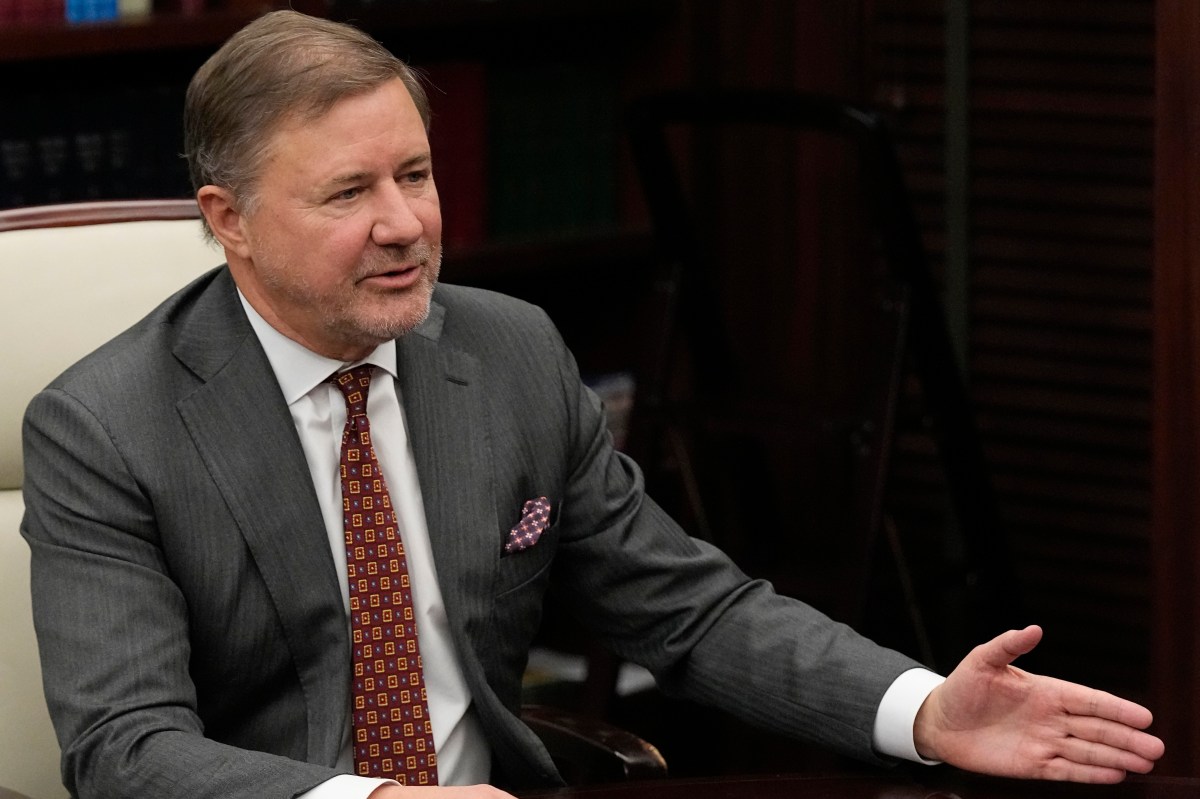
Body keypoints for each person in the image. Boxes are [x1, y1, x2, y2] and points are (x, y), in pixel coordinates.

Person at [20, 10, 1163, 799]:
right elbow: (125, 749)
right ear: (228, 219)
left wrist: (920, 708)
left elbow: (691, 611)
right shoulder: (106, 426)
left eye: (414, 174)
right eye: (348, 192)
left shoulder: (507, 351)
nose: (406, 223)